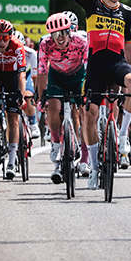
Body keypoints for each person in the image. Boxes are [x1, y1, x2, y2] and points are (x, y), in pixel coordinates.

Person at [63, 0, 131, 190]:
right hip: (96, 65)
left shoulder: (127, 12)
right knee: (90, 115)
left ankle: (124, 136)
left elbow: (128, 46)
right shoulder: (92, 4)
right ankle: (95, 167)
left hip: (117, 64)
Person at [37, 13, 88, 183]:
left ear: (69, 31)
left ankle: (85, 155)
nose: (58, 38)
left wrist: (89, 89)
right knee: (53, 108)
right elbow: (43, 71)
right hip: (57, 77)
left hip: (78, 76)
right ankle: (56, 143)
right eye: (54, 34)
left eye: (61, 34)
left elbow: (89, 66)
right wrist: (41, 96)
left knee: (85, 112)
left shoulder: (80, 41)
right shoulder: (45, 44)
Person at [0, 19, 27, 179]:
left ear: (11, 36)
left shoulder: (17, 46)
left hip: (11, 76)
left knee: (13, 120)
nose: (1, 41)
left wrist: (21, 95)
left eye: (5, 38)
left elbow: (22, 74)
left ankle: (12, 159)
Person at [13, 30, 40, 139]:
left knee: (27, 96)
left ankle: (33, 122)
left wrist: (36, 92)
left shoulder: (30, 53)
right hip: (12, 74)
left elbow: (35, 75)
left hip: (27, 73)